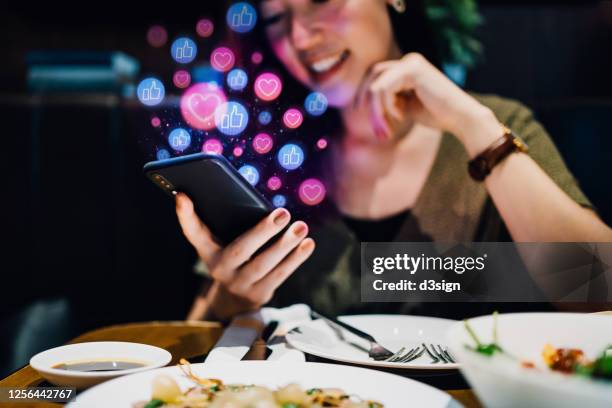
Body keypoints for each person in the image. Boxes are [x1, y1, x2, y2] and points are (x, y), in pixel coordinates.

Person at [175, 0, 612, 321]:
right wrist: (233, 297)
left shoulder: (498, 127)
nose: (300, 37)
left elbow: (600, 291)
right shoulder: (277, 160)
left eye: (321, 1)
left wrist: (474, 127)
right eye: (275, 19)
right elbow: (195, 343)